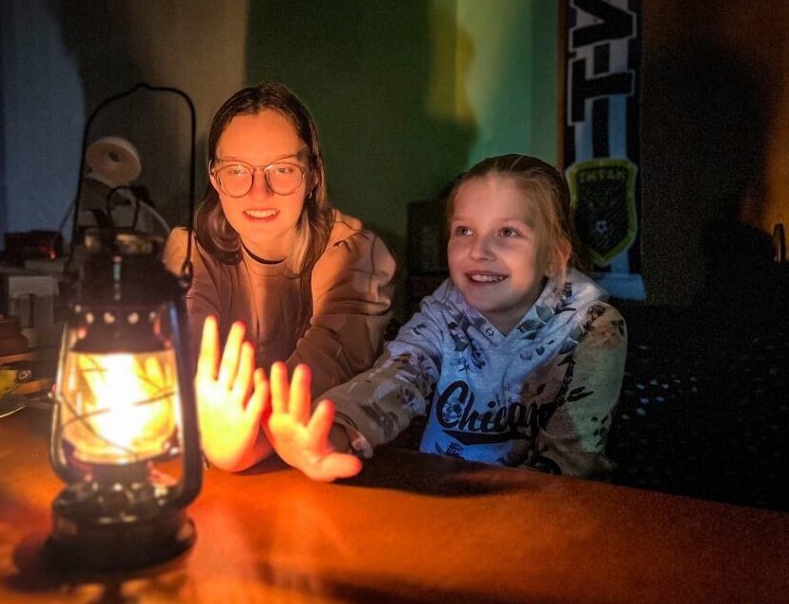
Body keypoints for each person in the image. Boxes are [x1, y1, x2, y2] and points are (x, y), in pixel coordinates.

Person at [261, 154, 628, 481]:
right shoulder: (442, 314)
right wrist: (331, 429)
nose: (478, 250)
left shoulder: (594, 328)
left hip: (548, 516)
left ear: (553, 256)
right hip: (445, 504)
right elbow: (395, 378)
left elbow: (567, 465)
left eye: (507, 232)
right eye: (464, 230)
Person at [162, 81, 396, 472]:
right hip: (213, 480)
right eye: (237, 170)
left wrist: (236, 447)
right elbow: (182, 369)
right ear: (215, 178)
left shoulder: (355, 254)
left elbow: (320, 374)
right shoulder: (190, 251)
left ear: (313, 175)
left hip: (313, 470)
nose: (259, 193)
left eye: (282, 169)